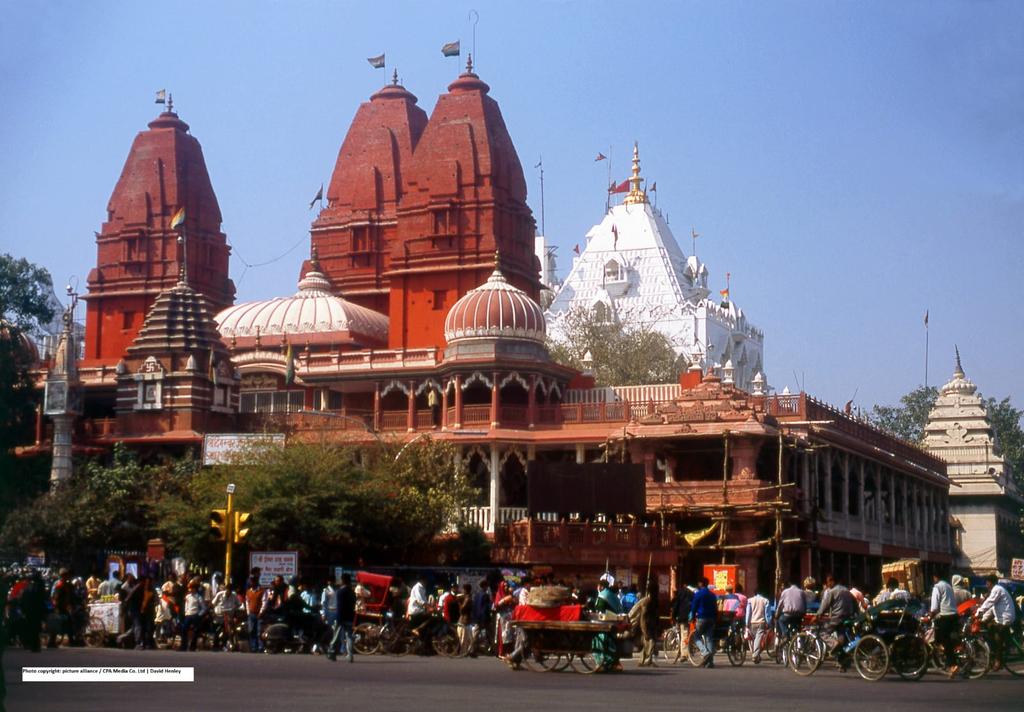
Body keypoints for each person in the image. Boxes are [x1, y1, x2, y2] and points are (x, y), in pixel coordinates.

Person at [976, 574, 1016, 671]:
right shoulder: (996, 590)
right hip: (1001, 618)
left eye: (987, 582)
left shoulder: (997, 589)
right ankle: (994, 654)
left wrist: (979, 612)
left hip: (1005, 619)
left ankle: (998, 660)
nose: (986, 584)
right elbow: (991, 608)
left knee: (997, 637)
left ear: (990, 582)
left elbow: (989, 602)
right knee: (989, 628)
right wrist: (981, 619)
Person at [815, 574, 856, 659]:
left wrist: (818, 615)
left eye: (828, 582)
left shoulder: (832, 592)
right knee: (841, 637)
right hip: (847, 617)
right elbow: (855, 603)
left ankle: (834, 643)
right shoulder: (846, 590)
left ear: (832, 581)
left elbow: (825, 605)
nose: (827, 584)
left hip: (837, 618)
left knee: (822, 632)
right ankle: (841, 662)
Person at [929, 573, 960, 676]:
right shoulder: (948, 586)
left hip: (945, 616)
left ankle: (952, 664)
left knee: (943, 639)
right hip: (954, 615)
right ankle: (947, 656)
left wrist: (930, 616)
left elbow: (934, 606)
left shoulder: (937, 587)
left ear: (935, 577)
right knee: (948, 639)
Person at [690, 577, 718, 668]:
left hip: (701, 617)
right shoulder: (712, 595)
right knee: (709, 638)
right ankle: (710, 662)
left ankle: (705, 652)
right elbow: (715, 608)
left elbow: (694, 607)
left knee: (696, 636)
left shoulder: (698, 594)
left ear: (701, 584)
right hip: (711, 618)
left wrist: (692, 617)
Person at [329, 573, 355, 662]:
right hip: (350, 616)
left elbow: (339, 606)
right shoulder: (352, 592)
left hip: (341, 617)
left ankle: (332, 652)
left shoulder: (340, 592)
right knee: (349, 637)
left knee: (336, 636)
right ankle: (350, 655)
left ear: (343, 580)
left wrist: (338, 618)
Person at [211, 581, 240, 651]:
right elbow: (213, 604)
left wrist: (237, 610)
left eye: (230, 590)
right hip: (220, 615)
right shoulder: (219, 594)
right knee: (217, 630)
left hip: (229, 616)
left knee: (231, 630)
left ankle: (230, 644)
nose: (228, 592)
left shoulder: (234, 595)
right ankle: (216, 645)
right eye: (227, 590)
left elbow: (238, 604)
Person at [179, 581, 207, 651]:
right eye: (189, 588)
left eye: (191, 588)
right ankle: (183, 646)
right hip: (188, 615)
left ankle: (193, 646)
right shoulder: (187, 596)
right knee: (184, 629)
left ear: (194, 589)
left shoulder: (198, 597)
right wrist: (186, 612)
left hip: (195, 615)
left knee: (196, 631)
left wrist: (199, 615)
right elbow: (186, 605)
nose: (190, 590)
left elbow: (203, 608)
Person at [636, 580, 659, 667]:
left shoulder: (654, 600)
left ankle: (645, 659)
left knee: (649, 641)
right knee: (649, 641)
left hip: (652, 623)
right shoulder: (647, 601)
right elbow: (644, 615)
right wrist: (644, 628)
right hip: (648, 623)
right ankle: (645, 659)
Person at [670, 584, 694, 662]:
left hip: (682, 617)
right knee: (687, 634)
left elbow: (675, 607)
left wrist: (673, 616)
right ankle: (689, 650)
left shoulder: (680, 595)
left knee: (684, 635)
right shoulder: (691, 595)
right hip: (690, 616)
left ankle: (684, 654)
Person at [745, 588, 770, 664]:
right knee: (758, 639)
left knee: (754, 639)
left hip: (752, 622)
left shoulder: (750, 600)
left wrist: (747, 623)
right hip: (761, 622)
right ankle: (755, 655)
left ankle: (756, 654)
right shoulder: (765, 601)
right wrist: (769, 623)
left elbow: (748, 613)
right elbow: (767, 614)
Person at [245, 574, 264, 653]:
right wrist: (248, 612)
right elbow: (247, 602)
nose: (251, 582)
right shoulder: (248, 592)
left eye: (253, 581)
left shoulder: (261, 591)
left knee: (259, 631)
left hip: (259, 614)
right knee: (251, 630)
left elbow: (264, 602)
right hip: (251, 614)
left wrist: (261, 612)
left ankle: (260, 647)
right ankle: (253, 647)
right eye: (251, 581)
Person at [457, 583, 476, 657]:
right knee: (465, 638)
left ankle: (463, 652)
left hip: (463, 620)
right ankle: (466, 652)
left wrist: (459, 602)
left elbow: (462, 610)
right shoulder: (468, 597)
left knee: (463, 639)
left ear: (465, 590)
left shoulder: (467, 598)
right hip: (466, 620)